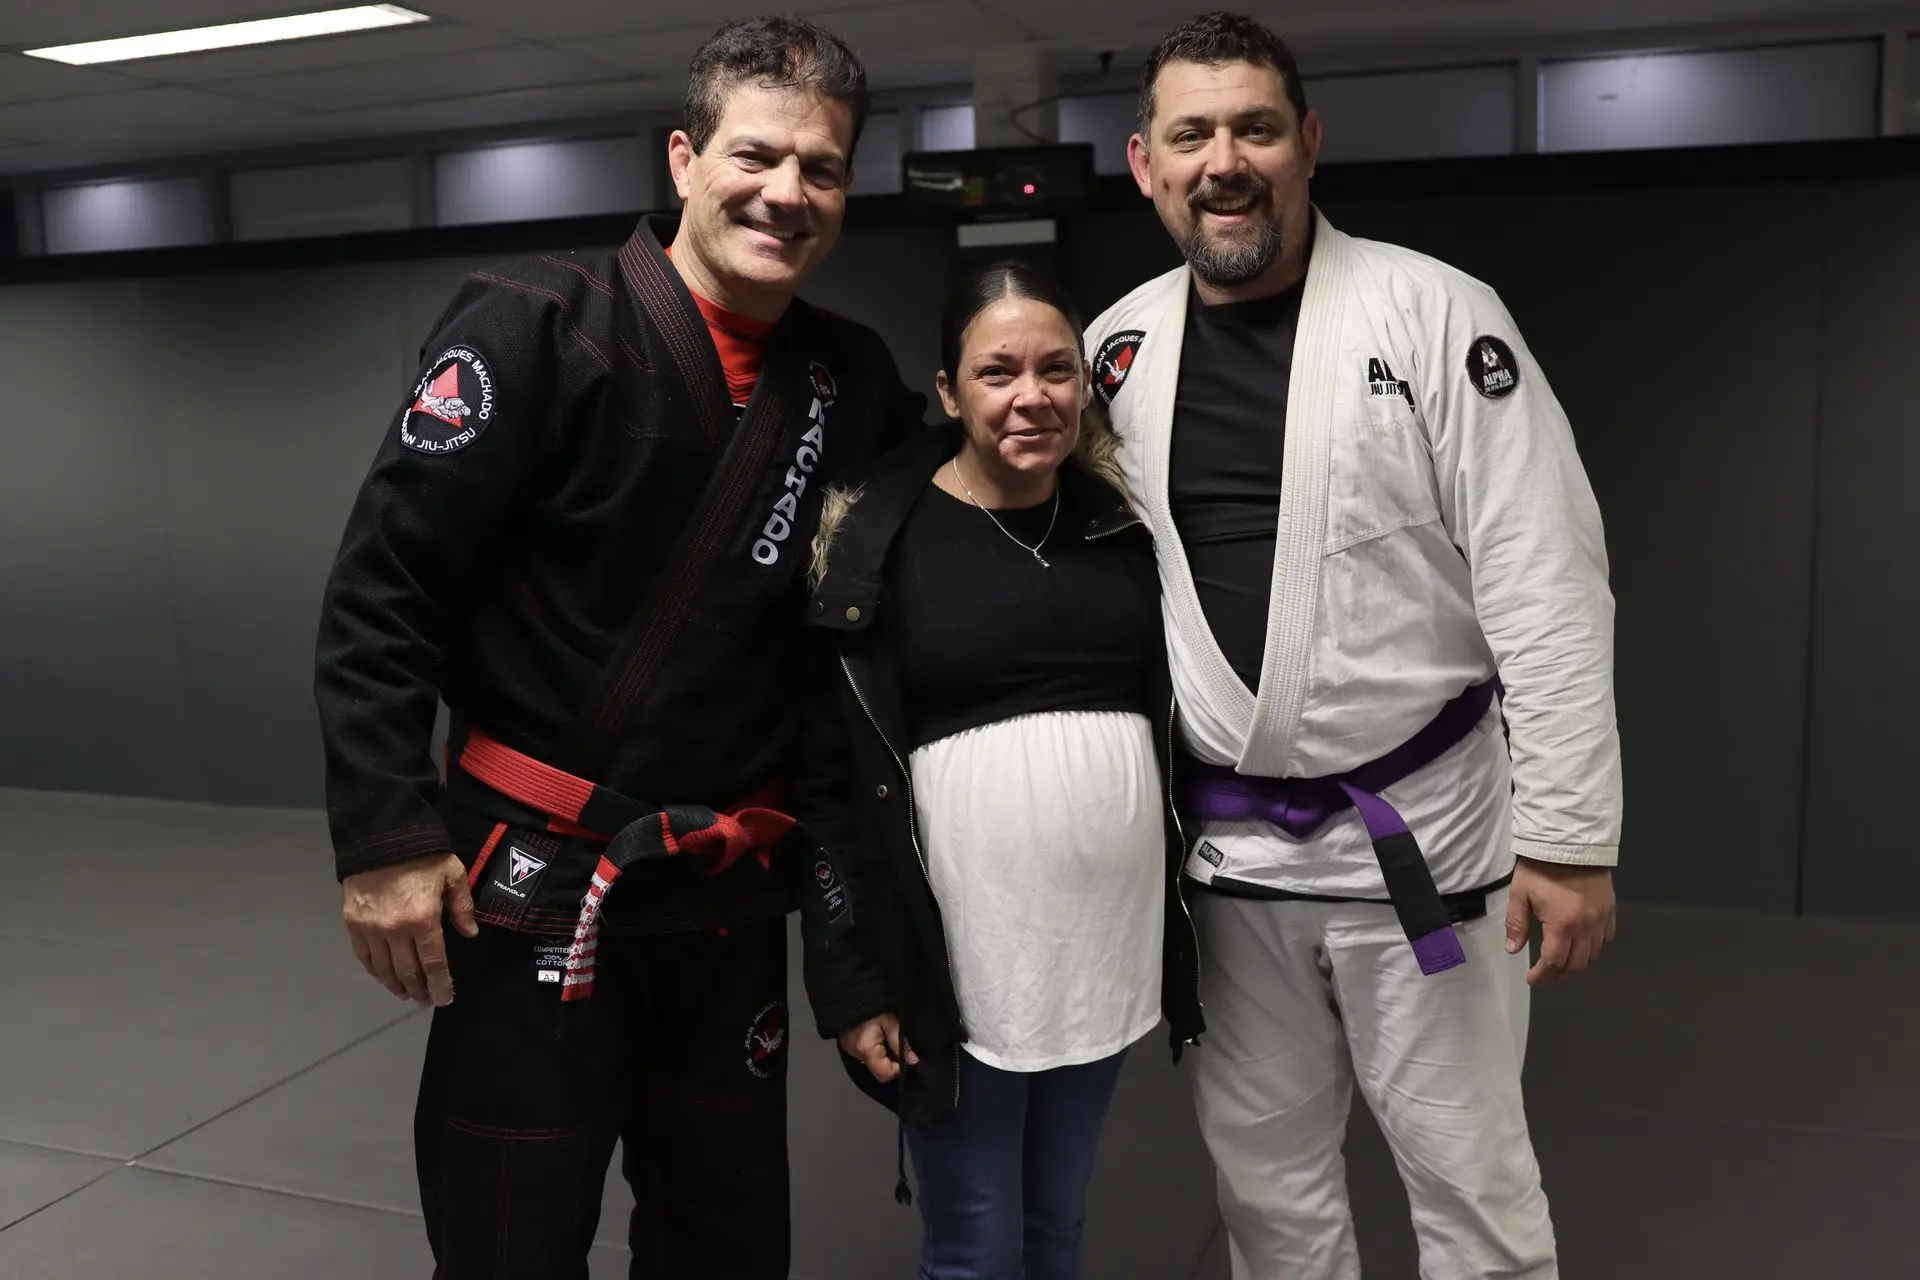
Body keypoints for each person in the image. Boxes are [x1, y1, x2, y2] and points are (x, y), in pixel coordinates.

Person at [312, 16, 927, 1277]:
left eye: (823, 166)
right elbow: (386, 585)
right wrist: (386, 833)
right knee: (507, 1235)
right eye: (757, 155)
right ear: (684, 158)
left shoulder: (850, 379)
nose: (788, 192)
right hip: (533, 876)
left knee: (728, 1236)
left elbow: (881, 611)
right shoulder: (535, 324)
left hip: (727, 891)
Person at [1084, 13, 1623, 1279]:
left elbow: (1547, 574)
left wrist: (1570, 834)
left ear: (1308, 142)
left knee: (1472, 1182)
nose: (1226, 160)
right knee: (1265, 1189)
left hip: (1424, 842)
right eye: (1192, 134)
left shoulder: (1435, 312)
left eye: (1256, 128)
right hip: (1228, 867)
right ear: (1144, 162)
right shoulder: (1115, 349)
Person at [792, 260, 1204, 1280]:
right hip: (955, 963)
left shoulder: (1126, 527)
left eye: (1057, 369)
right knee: (975, 1246)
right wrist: (851, 980)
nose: (1033, 396)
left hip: (1099, 954)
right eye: (998, 372)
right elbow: (828, 784)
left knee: (1058, 1225)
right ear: (947, 390)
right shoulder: (875, 548)